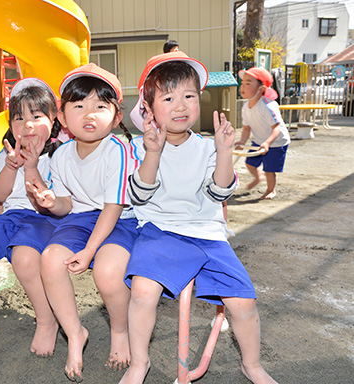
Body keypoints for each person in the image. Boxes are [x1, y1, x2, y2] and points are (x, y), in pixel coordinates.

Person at [121, 52, 278, 384]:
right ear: (148, 109)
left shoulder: (207, 146)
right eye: (168, 98)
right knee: (142, 291)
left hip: (207, 233)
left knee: (243, 301)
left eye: (189, 96)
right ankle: (139, 363)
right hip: (159, 232)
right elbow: (139, 195)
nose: (181, 106)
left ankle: (252, 364)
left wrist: (223, 151)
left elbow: (219, 193)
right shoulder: (140, 145)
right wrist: (153, 152)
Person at [26, 64, 138, 382]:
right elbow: (67, 205)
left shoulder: (118, 150)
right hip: (81, 218)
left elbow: (113, 206)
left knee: (107, 272)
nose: (89, 115)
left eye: (100, 107)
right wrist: (51, 202)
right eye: (79, 106)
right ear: (62, 117)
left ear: (116, 117)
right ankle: (75, 333)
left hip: (119, 219)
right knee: (50, 260)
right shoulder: (60, 156)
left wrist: (89, 251)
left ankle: (120, 331)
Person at [0, 77, 62, 358]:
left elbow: (49, 205)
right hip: (13, 216)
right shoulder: (6, 155)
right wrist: (10, 167)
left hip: (46, 219)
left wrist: (31, 167)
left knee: (25, 259)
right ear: (10, 125)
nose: (27, 124)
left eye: (37, 115)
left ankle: (46, 320)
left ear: (54, 120)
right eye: (19, 118)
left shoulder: (61, 155)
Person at [236, 67, 290, 200]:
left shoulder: (268, 106)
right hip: (260, 141)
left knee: (269, 169)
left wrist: (267, 143)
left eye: (248, 83)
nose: (243, 86)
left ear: (261, 89)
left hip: (276, 141)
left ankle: (271, 190)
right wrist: (242, 141)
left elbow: (276, 128)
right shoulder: (245, 107)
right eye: (242, 83)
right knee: (250, 163)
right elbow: (246, 128)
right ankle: (257, 177)